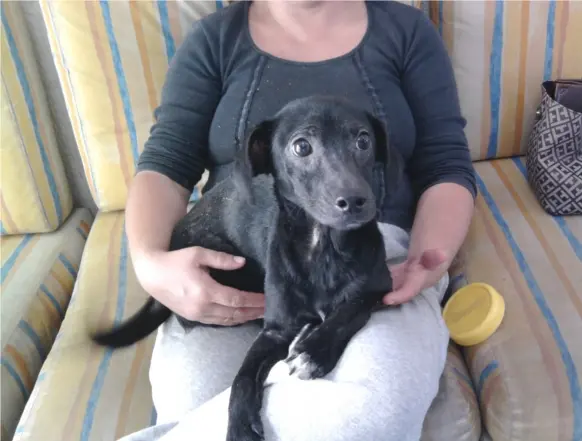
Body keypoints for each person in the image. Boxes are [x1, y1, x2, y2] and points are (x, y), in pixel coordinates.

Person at [121, 1, 476, 440]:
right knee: (189, 398)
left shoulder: (406, 31)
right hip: (236, 259)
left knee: (371, 416)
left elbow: (446, 163)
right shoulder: (214, 41)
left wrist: (426, 259)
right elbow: (166, 162)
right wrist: (150, 263)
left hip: (378, 254)